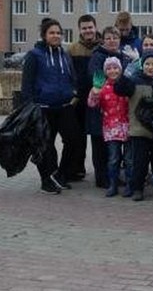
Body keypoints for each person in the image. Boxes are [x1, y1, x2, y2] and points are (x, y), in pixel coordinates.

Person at [20, 18, 79, 194]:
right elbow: (27, 83)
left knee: (74, 140)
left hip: (64, 106)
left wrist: (74, 92)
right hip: (42, 107)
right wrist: (29, 106)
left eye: (59, 33)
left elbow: (72, 77)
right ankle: (46, 180)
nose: (56, 36)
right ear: (44, 35)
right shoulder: (34, 55)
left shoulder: (64, 54)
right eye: (52, 32)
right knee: (45, 146)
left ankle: (60, 174)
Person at [114, 51, 153, 201]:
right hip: (139, 130)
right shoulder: (134, 80)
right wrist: (127, 73)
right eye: (147, 64)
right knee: (139, 162)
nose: (150, 67)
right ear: (142, 65)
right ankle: (137, 189)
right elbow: (119, 89)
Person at [87, 26, 130, 188]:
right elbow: (95, 77)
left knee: (114, 149)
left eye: (115, 38)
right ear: (103, 40)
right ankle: (102, 177)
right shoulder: (98, 56)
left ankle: (113, 177)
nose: (112, 41)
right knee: (100, 145)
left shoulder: (123, 57)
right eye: (109, 38)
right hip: (102, 107)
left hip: (119, 114)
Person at [67, 14, 100, 181]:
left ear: (95, 27)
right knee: (77, 136)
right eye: (84, 28)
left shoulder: (103, 46)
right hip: (79, 99)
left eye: (90, 27)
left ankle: (101, 172)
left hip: (99, 99)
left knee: (98, 137)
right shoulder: (72, 49)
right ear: (80, 30)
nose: (88, 31)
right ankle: (76, 168)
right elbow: (68, 74)